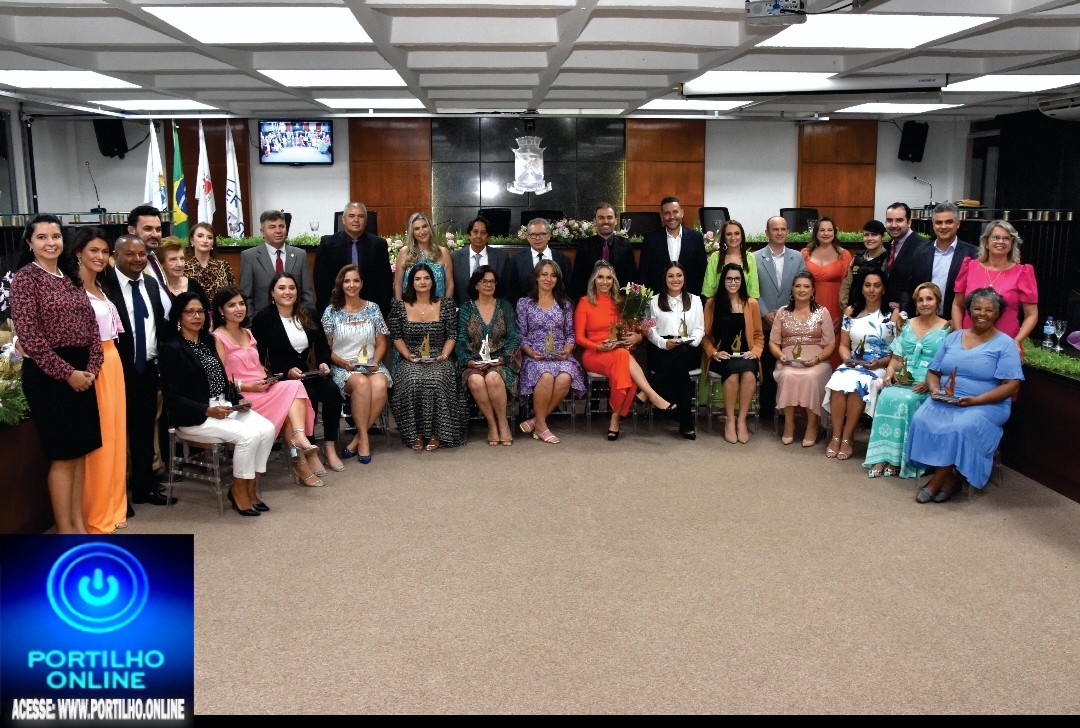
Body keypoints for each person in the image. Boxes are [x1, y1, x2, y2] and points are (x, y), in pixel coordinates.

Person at [11, 214, 103, 533]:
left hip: (83, 372)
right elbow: (31, 338)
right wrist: (68, 374)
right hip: (49, 375)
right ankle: (65, 532)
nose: (51, 242)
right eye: (42, 237)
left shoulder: (70, 276)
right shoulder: (25, 279)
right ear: (29, 243)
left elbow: (93, 328)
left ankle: (78, 523)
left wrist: (90, 369)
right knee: (63, 456)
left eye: (56, 236)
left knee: (79, 454)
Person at [159, 292, 277, 517]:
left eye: (200, 311)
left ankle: (250, 487)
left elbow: (222, 380)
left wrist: (237, 400)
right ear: (179, 316)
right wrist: (206, 409)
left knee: (267, 429)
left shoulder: (208, 342)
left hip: (224, 406)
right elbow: (173, 397)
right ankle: (238, 490)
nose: (196, 316)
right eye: (190, 312)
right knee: (248, 436)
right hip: (196, 416)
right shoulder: (171, 348)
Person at [907, 288, 1024, 503]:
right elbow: (933, 372)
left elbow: (1012, 386)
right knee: (921, 418)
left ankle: (936, 482)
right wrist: (934, 389)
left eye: (989, 310)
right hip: (946, 399)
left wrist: (977, 400)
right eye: (977, 308)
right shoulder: (953, 337)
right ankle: (951, 480)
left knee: (960, 427)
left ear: (997, 313)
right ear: (969, 310)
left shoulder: (1005, 343)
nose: (982, 313)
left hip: (986, 405)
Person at [211, 286, 325, 486]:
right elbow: (220, 379)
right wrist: (248, 386)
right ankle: (300, 463)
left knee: (294, 386)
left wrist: (269, 377)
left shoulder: (248, 332)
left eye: (241, 304)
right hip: (243, 395)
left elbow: (258, 365)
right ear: (221, 310)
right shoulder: (217, 337)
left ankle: (299, 438)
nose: (239, 309)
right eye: (231, 305)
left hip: (263, 388)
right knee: (290, 410)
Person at [105, 234, 174, 507]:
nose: (136, 259)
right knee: (116, 434)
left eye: (141, 254)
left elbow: (161, 325)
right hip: (116, 371)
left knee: (145, 432)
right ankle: (118, 494)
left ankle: (145, 487)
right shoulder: (104, 286)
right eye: (130, 254)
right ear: (116, 256)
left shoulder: (152, 285)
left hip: (147, 370)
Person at [252, 272, 345, 470]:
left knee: (332, 393)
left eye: (292, 288)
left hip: (309, 373)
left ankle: (329, 446)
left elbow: (322, 346)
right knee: (308, 396)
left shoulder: (307, 313)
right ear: (272, 292)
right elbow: (258, 358)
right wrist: (285, 372)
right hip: (283, 379)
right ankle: (309, 450)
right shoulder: (264, 318)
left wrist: (322, 362)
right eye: (282, 288)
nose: (287, 292)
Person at [575, 261, 676, 441]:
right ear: (594, 280)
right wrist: (598, 346)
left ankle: (616, 417)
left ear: (613, 281)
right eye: (600, 277)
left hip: (618, 350)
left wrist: (636, 337)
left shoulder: (621, 302)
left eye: (608, 278)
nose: (604, 282)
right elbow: (579, 338)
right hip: (594, 353)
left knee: (623, 356)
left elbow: (632, 328)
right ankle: (650, 395)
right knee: (624, 357)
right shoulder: (584, 302)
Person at [71, 226, 128, 534]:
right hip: (93, 366)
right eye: (93, 250)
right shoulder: (71, 288)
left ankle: (113, 505)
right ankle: (94, 512)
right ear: (78, 251)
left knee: (116, 437)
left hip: (113, 363)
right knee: (99, 441)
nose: (100, 256)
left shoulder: (101, 287)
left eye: (105, 252)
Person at [863, 282, 950, 479]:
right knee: (886, 395)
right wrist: (889, 373)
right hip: (905, 377)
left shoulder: (947, 328)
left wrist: (930, 383)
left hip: (929, 380)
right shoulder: (908, 324)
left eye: (930, 299)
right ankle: (881, 456)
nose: (925, 303)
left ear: (938, 302)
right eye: (920, 300)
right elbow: (897, 357)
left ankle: (897, 460)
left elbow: (948, 364)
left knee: (908, 401)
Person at [820, 270, 900, 461]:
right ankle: (836, 436)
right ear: (862, 288)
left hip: (880, 364)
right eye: (867, 285)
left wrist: (879, 362)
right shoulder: (851, 311)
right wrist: (847, 358)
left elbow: (896, 351)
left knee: (859, 385)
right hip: (853, 362)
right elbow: (843, 346)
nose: (871, 290)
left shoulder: (892, 314)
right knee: (838, 381)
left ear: (883, 289)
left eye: (876, 285)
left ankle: (848, 438)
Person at [389, 264, 466, 450]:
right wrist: (408, 356)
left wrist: (444, 355)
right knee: (412, 380)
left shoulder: (446, 304)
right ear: (411, 283)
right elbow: (396, 336)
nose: (422, 282)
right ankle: (415, 434)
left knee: (437, 380)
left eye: (426, 278)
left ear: (433, 281)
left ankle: (436, 434)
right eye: (417, 279)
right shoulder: (400, 306)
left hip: (440, 355)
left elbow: (452, 335)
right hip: (411, 357)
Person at [321, 265, 393, 464]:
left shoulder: (373, 308)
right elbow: (326, 349)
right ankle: (364, 442)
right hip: (343, 367)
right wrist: (342, 362)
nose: (351, 285)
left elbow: (381, 342)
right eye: (347, 281)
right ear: (340, 284)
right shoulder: (331, 312)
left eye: (355, 281)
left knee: (379, 384)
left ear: (362, 284)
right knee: (361, 383)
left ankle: (357, 438)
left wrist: (376, 362)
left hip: (371, 364)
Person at [515, 259, 585, 444]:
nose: (549, 279)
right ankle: (542, 426)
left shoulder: (565, 304)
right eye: (544, 274)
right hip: (535, 355)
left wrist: (567, 349)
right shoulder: (525, 303)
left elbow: (571, 334)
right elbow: (520, 335)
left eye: (553, 275)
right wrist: (530, 352)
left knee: (565, 377)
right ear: (537, 277)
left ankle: (537, 421)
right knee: (545, 376)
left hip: (560, 354)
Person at [951, 219, 1038, 359]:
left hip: (1005, 344)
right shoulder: (970, 266)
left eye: (1006, 238)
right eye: (996, 237)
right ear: (986, 241)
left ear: (1012, 243)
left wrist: (1017, 340)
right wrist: (959, 334)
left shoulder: (1022, 272)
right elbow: (957, 304)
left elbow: (1032, 315)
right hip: (968, 342)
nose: (1000, 241)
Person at [455, 265, 520, 446]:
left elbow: (514, 337)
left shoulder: (504, 306)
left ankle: (503, 421)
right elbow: (460, 341)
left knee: (492, 377)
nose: (488, 285)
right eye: (484, 281)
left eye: (492, 281)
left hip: (501, 361)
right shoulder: (466, 309)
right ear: (476, 285)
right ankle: (491, 424)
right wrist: (469, 362)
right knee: (476, 380)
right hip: (473, 362)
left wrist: (503, 358)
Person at [768, 271, 835, 446]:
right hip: (788, 361)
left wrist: (818, 359)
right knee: (788, 375)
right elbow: (773, 343)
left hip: (816, 361)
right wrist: (781, 355)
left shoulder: (822, 312)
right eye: (798, 286)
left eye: (806, 286)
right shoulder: (782, 312)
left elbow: (830, 345)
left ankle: (813, 425)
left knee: (811, 376)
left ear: (813, 290)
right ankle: (789, 424)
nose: (802, 290)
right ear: (792, 289)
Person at [702, 262, 764, 444]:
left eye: (737, 278)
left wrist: (756, 351)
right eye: (729, 278)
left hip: (746, 355)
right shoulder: (712, 304)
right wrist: (713, 352)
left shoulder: (751, 303)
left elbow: (758, 335)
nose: (733, 282)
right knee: (732, 375)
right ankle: (730, 420)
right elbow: (706, 337)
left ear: (742, 281)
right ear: (723, 281)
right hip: (723, 356)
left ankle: (742, 420)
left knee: (749, 374)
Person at [753, 215, 808, 421]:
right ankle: (766, 412)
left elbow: (803, 288)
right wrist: (765, 312)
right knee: (766, 368)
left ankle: (787, 411)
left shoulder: (798, 257)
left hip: (790, 322)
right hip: (764, 321)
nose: (779, 233)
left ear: (787, 232)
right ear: (767, 233)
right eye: (775, 229)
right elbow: (752, 290)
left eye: (783, 229)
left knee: (787, 365)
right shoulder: (755, 257)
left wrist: (787, 313)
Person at [644, 262, 702, 439]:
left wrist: (691, 341)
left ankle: (648, 390)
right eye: (671, 276)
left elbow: (700, 328)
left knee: (682, 353)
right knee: (680, 372)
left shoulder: (695, 300)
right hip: (662, 349)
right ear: (665, 279)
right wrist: (663, 343)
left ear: (684, 278)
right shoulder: (653, 301)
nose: (675, 279)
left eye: (679, 275)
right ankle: (686, 422)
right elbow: (649, 329)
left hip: (688, 347)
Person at [313, 201, 393, 321]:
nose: (356, 220)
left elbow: (385, 282)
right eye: (351, 216)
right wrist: (330, 310)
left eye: (360, 216)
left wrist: (380, 311)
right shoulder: (328, 244)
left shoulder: (378, 245)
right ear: (343, 220)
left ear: (365, 221)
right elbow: (321, 282)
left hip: (370, 311)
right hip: (336, 309)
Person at [239, 210, 315, 317]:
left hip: (295, 320)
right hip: (263, 322)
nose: (278, 230)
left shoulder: (300, 254)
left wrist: (306, 320)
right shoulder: (249, 256)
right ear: (262, 231)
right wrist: (252, 324)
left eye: (281, 226)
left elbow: (307, 294)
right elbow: (246, 297)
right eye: (272, 227)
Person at [908, 202, 977, 319]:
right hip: (924, 319)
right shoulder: (920, 252)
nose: (943, 227)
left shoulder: (972, 254)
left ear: (958, 224)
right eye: (939, 222)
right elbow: (910, 286)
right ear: (933, 225)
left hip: (956, 321)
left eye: (949, 222)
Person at [801, 216, 852, 368]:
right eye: (822, 230)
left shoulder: (844, 255)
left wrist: (843, 315)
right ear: (815, 233)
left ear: (834, 233)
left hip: (836, 308)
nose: (826, 233)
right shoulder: (804, 253)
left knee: (834, 346)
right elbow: (799, 284)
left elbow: (848, 285)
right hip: (809, 308)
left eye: (830, 230)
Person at [639, 195, 707, 298]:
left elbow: (701, 272)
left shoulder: (696, 238)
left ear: (682, 213)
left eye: (675, 212)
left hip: (689, 299)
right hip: (658, 300)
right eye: (667, 213)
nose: (671, 217)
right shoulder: (650, 239)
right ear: (662, 216)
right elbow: (644, 273)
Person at [569, 202, 638, 300]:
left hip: (619, 301)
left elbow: (631, 277)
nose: (605, 221)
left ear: (616, 221)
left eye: (609, 217)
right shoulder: (585, 245)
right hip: (591, 301)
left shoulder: (625, 245)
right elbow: (578, 280)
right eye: (601, 218)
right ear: (595, 221)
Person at [451, 216, 514, 306]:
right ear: (469, 235)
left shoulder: (501, 257)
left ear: (488, 237)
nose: (479, 236)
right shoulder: (455, 257)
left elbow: (507, 289)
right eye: (475, 232)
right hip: (462, 312)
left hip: (494, 312)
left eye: (483, 233)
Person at [507, 218, 572, 304]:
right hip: (525, 311)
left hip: (555, 310)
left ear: (549, 235)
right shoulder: (517, 259)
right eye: (533, 234)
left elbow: (568, 288)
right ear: (528, 237)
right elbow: (511, 289)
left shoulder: (562, 258)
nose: (537, 238)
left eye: (542, 234)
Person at [394, 212, 455, 302]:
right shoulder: (404, 252)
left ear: (430, 228)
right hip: (410, 308)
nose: (422, 232)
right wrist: (400, 308)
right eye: (417, 229)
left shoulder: (443, 252)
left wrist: (445, 308)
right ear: (412, 232)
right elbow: (397, 285)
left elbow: (449, 284)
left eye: (424, 226)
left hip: (438, 309)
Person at [883, 202, 930, 314]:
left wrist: (903, 308)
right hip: (889, 311)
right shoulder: (890, 244)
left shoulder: (922, 247)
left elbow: (921, 285)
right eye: (889, 220)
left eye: (899, 220)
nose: (893, 225)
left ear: (909, 222)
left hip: (909, 314)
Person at [183, 221, 235, 314]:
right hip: (194, 317)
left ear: (213, 242)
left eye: (209, 237)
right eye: (200, 236)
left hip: (221, 317)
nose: (205, 240)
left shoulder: (223, 266)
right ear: (191, 240)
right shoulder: (184, 268)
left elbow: (233, 295)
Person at [701, 220, 759, 300]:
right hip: (719, 308)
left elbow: (754, 293)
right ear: (724, 237)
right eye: (728, 234)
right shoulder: (715, 257)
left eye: (737, 233)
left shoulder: (750, 258)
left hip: (744, 308)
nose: (733, 237)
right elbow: (708, 292)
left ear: (742, 236)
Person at [839, 219, 888, 310]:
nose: (869, 239)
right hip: (853, 310)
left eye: (874, 235)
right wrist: (845, 307)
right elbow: (847, 284)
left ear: (882, 237)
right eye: (866, 235)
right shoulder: (857, 258)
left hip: (878, 312)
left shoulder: (887, 259)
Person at [158, 236, 208, 305]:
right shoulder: (157, 288)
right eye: (173, 259)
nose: (180, 264)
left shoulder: (193, 284)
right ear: (161, 263)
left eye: (182, 258)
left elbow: (207, 312)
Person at [127, 204, 167, 289]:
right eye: (148, 229)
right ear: (131, 230)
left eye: (158, 229)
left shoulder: (155, 256)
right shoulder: (125, 262)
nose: (155, 234)